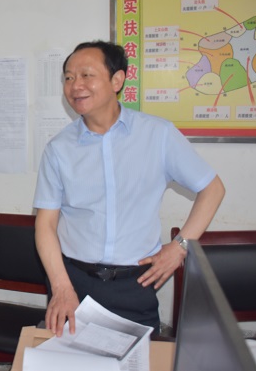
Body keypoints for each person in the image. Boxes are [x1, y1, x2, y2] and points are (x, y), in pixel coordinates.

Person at [33, 40, 225, 336]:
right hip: (73, 283)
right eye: (68, 77)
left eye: (86, 75)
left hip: (135, 285)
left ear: (117, 80)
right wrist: (61, 287)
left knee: (139, 358)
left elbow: (212, 189)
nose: (75, 85)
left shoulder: (158, 134)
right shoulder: (58, 149)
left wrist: (179, 248)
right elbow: (45, 224)